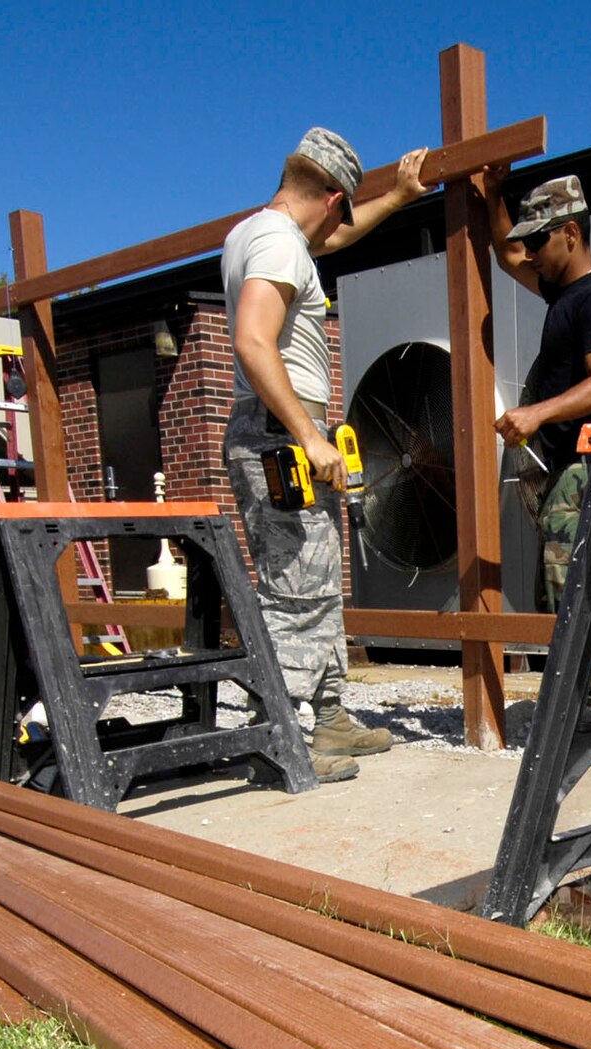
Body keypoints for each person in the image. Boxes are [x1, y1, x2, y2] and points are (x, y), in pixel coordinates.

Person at [223, 128, 430, 783]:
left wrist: (395, 198)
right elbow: (254, 341)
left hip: (279, 429)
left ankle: (329, 714)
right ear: (333, 195)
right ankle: (286, 737)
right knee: (295, 591)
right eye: (345, 209)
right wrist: (309, 437)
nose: (338, 228)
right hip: (283, 433)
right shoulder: (280, 245)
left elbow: (331, 238)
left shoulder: (257, 234)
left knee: (317, 579)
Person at [483, 171, 591, 704]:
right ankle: (588, 699)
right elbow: (505, 255)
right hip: (560, 467)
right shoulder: (560, 296)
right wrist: (490, 194)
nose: (530, 250)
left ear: (570, 233)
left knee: (574, 584)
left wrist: (536, 414)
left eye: (539, 238)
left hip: (584, 467)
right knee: (561, 585)